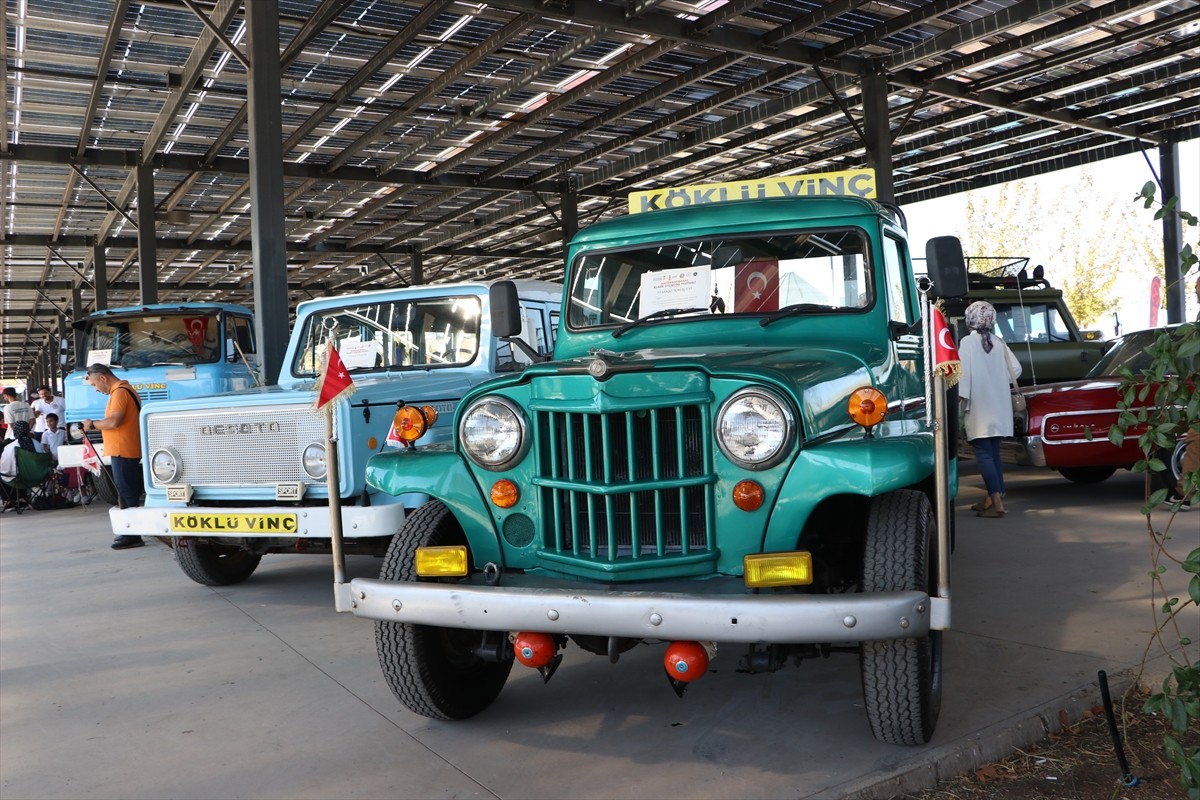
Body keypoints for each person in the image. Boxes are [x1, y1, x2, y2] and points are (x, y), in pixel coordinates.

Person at [958, 300, 1022, 517]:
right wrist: (997, 380)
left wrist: (960, 402)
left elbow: (963, 375)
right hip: (1000, 406)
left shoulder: (968, 342)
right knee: (994, 453)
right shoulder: (999, 341)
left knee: (984, 453)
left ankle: (997, 503)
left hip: (979, 405)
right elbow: (1016, 368)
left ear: (970, 319)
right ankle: (993, 497)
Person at [81, 364, 145, 549]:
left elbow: (114, 421)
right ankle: (130, 532)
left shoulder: (119, 393)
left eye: (94, 384)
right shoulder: (124, 390)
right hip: (124, 447)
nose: (95, 389)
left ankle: (131, 534)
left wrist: (91, 424)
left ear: (103, 378)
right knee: (126, 492)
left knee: (126, 493)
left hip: (123, 448)